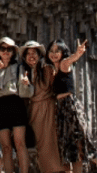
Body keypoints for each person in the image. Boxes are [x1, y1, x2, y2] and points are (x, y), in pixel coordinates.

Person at [47, 39, 97, 173]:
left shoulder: (64, 64)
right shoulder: (54, 71)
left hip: (70, 107)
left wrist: (78, 53)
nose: (54, 54)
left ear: (63, 52)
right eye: (51, 51)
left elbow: (71, 60)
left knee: (80, 141)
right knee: (73, 145)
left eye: (57, 51)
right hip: (61, 110)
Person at [20, 41, 64, 173]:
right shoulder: (25, 73)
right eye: (28, 53)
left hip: (49, 108)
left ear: (40, 55)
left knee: (53, 143)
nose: (31, 56)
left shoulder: (47, 69)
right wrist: (26, 85)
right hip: (35, 112)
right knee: (41, 145)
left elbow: (57, 88)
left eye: (34, 53)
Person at [0, 37, 29, 173]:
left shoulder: (19, 67)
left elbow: (25, 89)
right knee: (5, 146)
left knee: (20, 143)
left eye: (9, 49)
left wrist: (25, 83)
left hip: (15, 103)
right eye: (3, 49)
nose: (6, 52)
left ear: (13, 52)